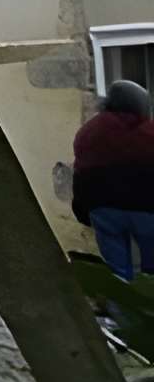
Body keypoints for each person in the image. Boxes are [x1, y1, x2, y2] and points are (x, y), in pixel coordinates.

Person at [73, 79, 154, 280]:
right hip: (147, 209)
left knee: (116, 272)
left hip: (103, 209)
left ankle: (121, 308)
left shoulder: (88, 132)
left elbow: (81, 172)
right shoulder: (149, 132)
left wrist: (81, 209)